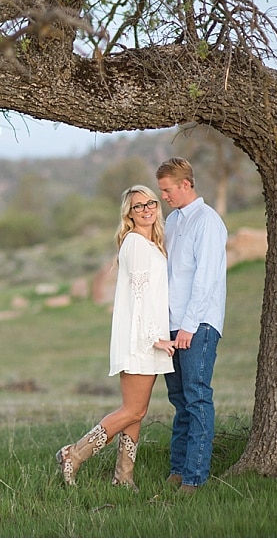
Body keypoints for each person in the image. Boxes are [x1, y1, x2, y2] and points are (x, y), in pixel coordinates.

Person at [56, 185, 176, 490]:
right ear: (129, 213)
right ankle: (74, 453)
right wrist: (155, 338)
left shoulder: (151, 244)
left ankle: (123, 477)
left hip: (149, 338)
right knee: (132, 410)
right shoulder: (135, 243)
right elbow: (139, 298)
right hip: (140, 339)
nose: (147, 208)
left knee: (136, 411)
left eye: (151, 202)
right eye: (139, 206)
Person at [156, 157, 227, 494]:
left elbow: (206, 279)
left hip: (197, 325)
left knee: (197, 397)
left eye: (168, 190)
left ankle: (195, 477)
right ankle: (178, 469)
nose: (165, 196)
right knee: (179, 400)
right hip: (171, 326)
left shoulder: (207, 221)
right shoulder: (171, 222)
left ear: (185, 184)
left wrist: (188, 325)